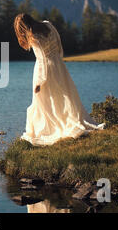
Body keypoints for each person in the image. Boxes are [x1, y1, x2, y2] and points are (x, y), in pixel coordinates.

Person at [14, 13, 104, 146]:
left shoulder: (33, 38)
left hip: (45, 70)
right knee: (65, 95)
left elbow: (42, 60)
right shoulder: (48, 25)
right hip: (59, 65)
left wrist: (40, 82)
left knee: (44, 100)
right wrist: (58, 60)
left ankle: (52, 127)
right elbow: (59, 44)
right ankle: (67, 120)